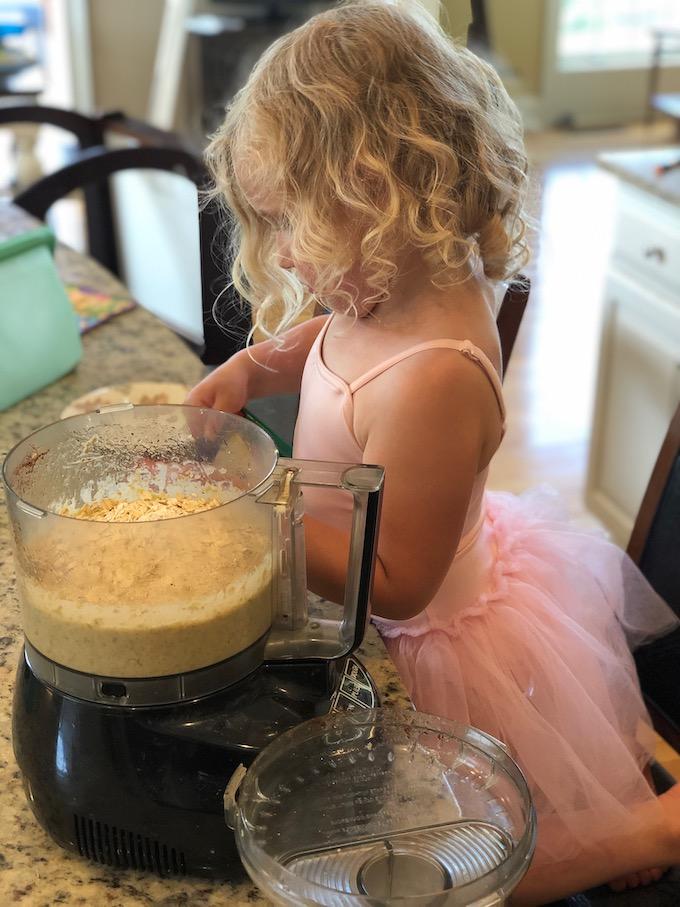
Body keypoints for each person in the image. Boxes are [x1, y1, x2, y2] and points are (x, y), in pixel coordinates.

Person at [187, 1, 680, 902]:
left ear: (377, 198)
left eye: (292, 224)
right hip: (361, 605)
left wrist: (264, 507)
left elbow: (401, 580)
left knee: (449, 869)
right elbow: (334, 340)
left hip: (424, 640)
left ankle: (649, 827)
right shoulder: (386, 283)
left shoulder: (437, 379)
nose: (286, 255)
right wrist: (254, 368)